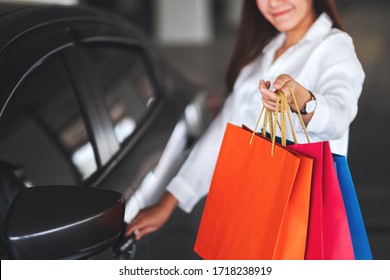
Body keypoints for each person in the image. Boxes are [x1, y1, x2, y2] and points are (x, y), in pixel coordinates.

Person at [125, 0, 364, 240]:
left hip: (302, 223)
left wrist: (303, 101)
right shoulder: (265, 52)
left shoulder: (334, 47)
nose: (274, 3)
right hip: (251, 213)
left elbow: (340, 115)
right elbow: (222, 133)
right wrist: (169, 201)